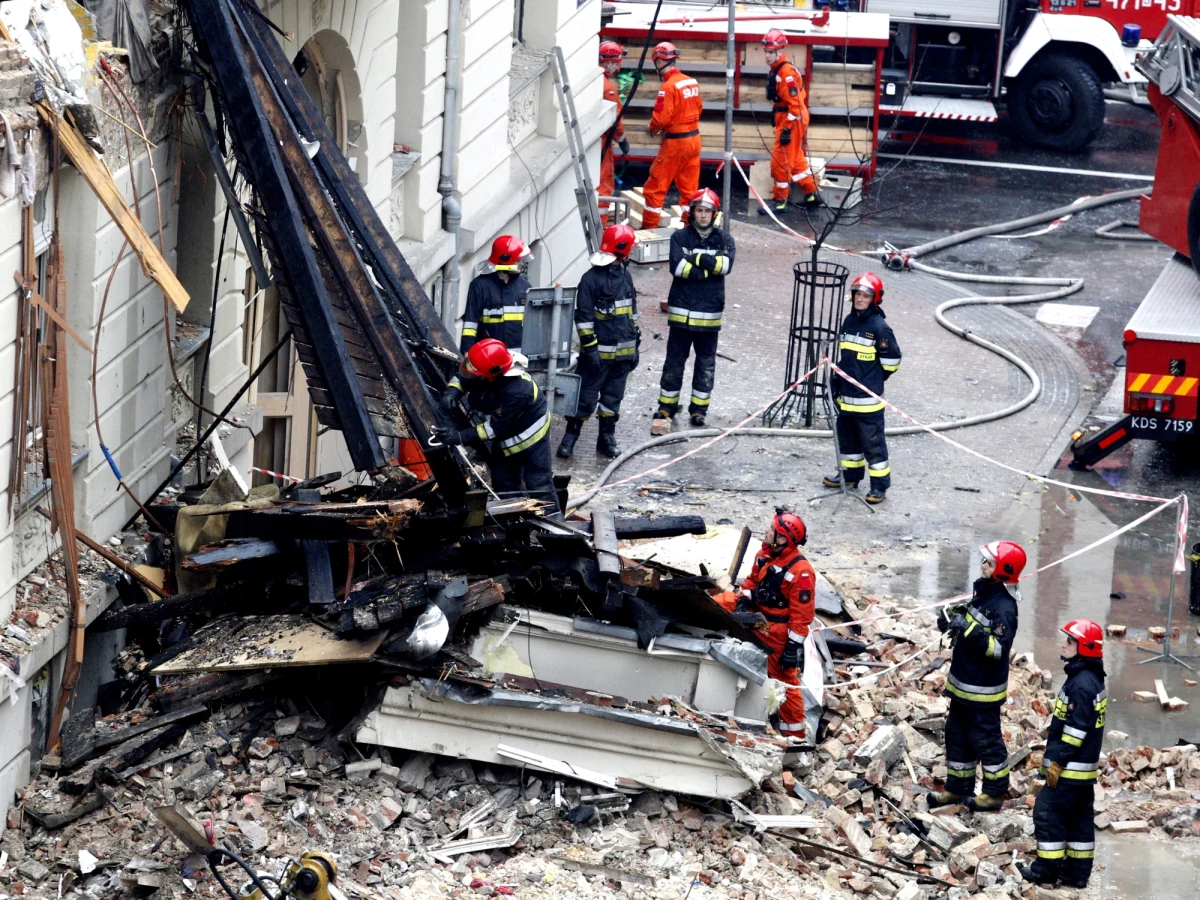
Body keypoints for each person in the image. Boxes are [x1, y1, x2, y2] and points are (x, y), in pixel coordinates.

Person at [929, 540, 1026, 813]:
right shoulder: (983, 594)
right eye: (985, 561)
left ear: (1003, 571)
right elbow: (970, 621)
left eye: (990, 562)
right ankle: (958, 788)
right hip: (963, 684)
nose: (983, 565)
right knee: (956, 735)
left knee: (985, 739)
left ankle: (994, 793)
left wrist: (967, 630)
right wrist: (951, 620)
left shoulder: (1004, 607)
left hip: (982, 690)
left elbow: (997, 649)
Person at [1019, 619, 1106, 889]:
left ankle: (1046, 870)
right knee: (1080, 820)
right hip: (1084, 770)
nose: (1064, 645)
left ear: (1084, 648)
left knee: (1047, 812)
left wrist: (1056, 763)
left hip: (1069, 768)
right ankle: (1077, 874)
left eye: (1070, 641)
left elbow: (1075, 733)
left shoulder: (1081, 685)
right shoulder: (1089, 679)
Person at [438, 338, 558, 512]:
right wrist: (452, 392)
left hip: (532, 441)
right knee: (503, 481)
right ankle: (514, 519)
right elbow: (463, 376)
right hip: (506, 436)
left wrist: (459, 437)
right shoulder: (490, 371)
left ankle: (554, 523)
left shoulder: (516, 393)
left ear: (492, 375)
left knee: (538, 484)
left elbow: (493, 429)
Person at [558, 224, 641, 460]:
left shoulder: (625, 276)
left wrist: (636, 344)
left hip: (622, 356)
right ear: (622, 251)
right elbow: (583, 319)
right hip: (597, 357)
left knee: (612, 400)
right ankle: (569, 438)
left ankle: (606, 439)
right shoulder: (590, 280)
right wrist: (591, 350)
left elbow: (631, 313)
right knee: (584, 400)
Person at [654, 189, 735, 429]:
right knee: (674, 362)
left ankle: (699, 411)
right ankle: (666, 406)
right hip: (681, 315)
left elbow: (725, 266)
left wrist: (696, 260)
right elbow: (677, 268)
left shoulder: (725, 240)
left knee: (705, 364)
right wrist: (708, 266)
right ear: (692, 213)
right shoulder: (680, 237)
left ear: (714, 214)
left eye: (707, 211)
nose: (702, 216)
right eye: (699, 211)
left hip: (709, 318)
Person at [732, 509, 815, 743]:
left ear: (782, 538)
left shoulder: (802, 572)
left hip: (776, 629)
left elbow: (802, 616)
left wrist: (791, 649)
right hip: (756, 617)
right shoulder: (765, 553)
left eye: (772, 528)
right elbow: (751, 582)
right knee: (719, 604)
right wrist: (742, 601)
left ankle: (795, 736)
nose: (767, 530)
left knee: (785, 680)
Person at [822, 272, 901, 504]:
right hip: (846, 397)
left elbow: (893, 361)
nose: (859, 299)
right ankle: (850, 476)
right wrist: (839, 379)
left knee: (873, 444)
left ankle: (879, 486)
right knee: (848, 441)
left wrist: (873, 380)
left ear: (874, 299)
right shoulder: (849, 322)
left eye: (865, 296)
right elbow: (846, 356)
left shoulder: (880, 328)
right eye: (857, 294)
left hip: (867, 402)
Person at [442, 235, 532, 410]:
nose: (522, 264)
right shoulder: (480, 286)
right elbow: (470, 323)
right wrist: (467, 352)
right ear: (506, 262)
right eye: (519, 260)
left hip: (516, 363)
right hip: (489, 361)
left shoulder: (525, 288)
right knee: (487, 403)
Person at [640, 42, 703, 230]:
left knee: (655, 187)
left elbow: (661, 119)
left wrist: (651, 127)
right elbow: (699, 108)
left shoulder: (667, 87)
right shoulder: (691, 81)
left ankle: (649, 229)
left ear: (659, 61)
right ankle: (688, 227)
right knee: (689, 188)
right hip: (694, 139)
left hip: (676, 143)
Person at [760, 29, 819, 213]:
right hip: (789, 118)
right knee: (797, 160)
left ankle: (779, 201)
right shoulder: (779, 69)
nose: (768, 56)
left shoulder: (785, 72)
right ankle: (811, 194)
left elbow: (795, 106)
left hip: (792, 119)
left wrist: (786, 128)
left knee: (780, 162)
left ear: (779, 51)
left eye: (771, 52)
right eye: (766, 52)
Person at [598, 41, 631, 227]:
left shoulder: (594, 80)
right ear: (609, 62)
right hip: (602, 142)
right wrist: (623, 141)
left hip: (594, 140)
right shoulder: (607, 88)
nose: (619, 67)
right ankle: (600, 227)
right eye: (617, 62)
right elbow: (615, 120)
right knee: (604, 183)